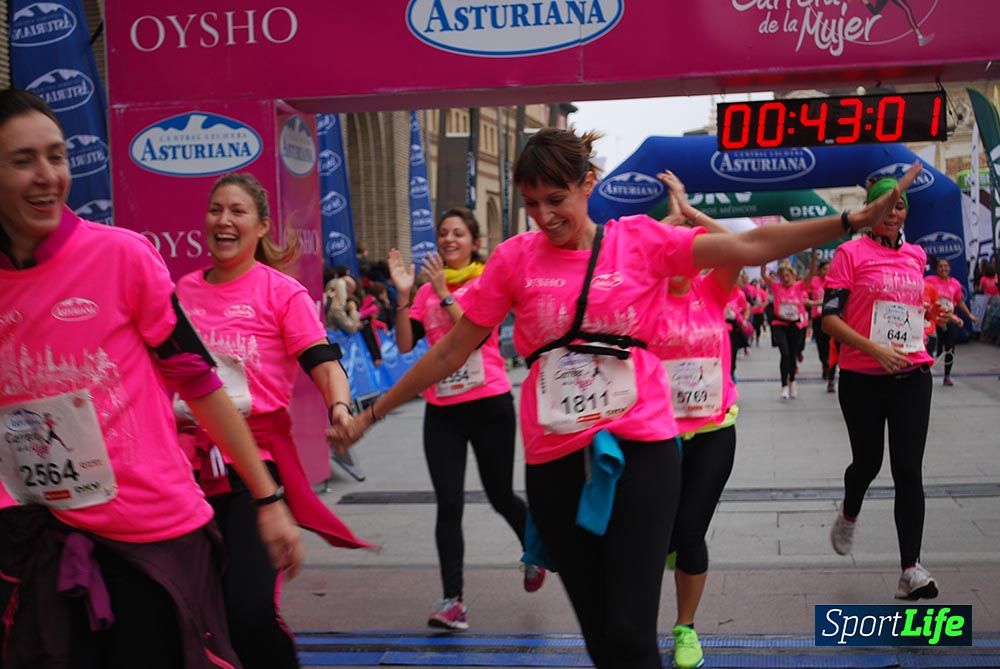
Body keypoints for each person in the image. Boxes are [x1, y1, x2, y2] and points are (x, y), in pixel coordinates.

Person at [328, 129, 920, 669]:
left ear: (588, 184)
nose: (543, 216)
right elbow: (447, 352)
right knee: (601, 640)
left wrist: (850, 221)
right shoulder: (513, 259)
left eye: (555, 199)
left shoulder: (637, 241)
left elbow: (752, 246)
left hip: (643, 449)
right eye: (531, 203)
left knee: (632, 631)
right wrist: (370, 413)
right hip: (554, 461)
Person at [0, 88, 302, 669]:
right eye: (23, 161)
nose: (47, 177)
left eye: (56, 157)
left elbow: (200, 384)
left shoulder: (123, 257)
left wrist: (267, 498)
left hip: (149, 535)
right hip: (36, 539)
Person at [173, 172, 370, 669]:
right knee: (194, 611)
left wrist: (341, 408)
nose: (224, 220)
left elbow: (324, 363)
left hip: (252, 467)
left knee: (249, 610)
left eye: (237, 211)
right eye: (216, 209)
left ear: (261, 226)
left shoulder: (281, 293)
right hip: (186, 469)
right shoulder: (182, 291)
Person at [387, 207, 542, 631]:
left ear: (474, 242)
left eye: (458, 233)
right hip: (443, 412)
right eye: (442, 233)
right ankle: (452, 600)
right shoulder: (422, 293)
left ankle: (536, 547)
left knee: (499, 496)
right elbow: (403, 345)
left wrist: (445, 293)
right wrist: (404, 293)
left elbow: (481, 338)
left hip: (489, 405)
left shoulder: (485, 282)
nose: (448, 240)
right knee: (449, 503)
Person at [823, 174, 940, 601]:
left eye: (900, 205)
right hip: (862, 378)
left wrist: (930, 319)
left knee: (908, 470)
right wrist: (873, 349)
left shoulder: (916, 254)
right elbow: (830, 320)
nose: (894, 213)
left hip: (912, 374)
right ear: (870, 211)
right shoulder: (848, 253)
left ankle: (911, 569)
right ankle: (849, 510)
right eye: (886, 205)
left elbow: (907, 311)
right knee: (867, 464)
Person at [651, 171, 743, 669]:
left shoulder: (713, 290)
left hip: (713, 430)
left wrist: (692, 216)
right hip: (659, 436)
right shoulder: (643, 299)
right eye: (673, 249)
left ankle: (685, 628)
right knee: (660, 533)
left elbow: (741, 245)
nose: (684, 258)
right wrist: (666, 226)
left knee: (689, 529)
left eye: (691, 248)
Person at [760, 258, 815, 399]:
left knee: (792, 355)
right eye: (783, 276)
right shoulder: (776, 287)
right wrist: (763, 259)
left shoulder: (799, 286)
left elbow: (810, 275)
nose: (785, 279)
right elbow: (764, 275)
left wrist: (813, 258)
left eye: (788, 276)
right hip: (780, 325)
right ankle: (784, 385)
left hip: (795, 325)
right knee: (784, 353)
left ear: (793, 276)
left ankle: (792, 381)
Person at [924, 258, 977, 386]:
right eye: (941, 266)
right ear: (936, 269)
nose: (943, 269)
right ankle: (925, 374)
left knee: (950, 347)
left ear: (949, 268)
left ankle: (947, 376)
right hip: (934, 318)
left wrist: (969, 315)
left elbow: (959, 302)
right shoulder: (929, 281)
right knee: (932, 346)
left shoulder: (955, 284)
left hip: (950, 318)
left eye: (946, 266)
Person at [810, 258, 836, 389]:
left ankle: (830, 372)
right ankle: (825, 363)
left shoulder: (835, 281)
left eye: (829, 268)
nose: (827, 271)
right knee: (821, 345)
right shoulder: (814, 282)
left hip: (833, 317)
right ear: (820, 271)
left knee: (832, 346)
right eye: (824, 269)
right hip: (818, 317)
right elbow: (804, 294)